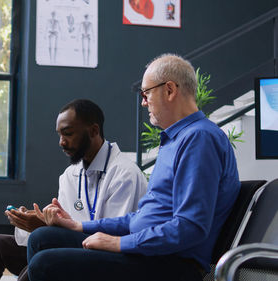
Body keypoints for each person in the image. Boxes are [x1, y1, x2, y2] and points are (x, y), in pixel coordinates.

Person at [27, 54, 241, 281]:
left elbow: (190, 227)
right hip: (149, 253)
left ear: (169, 90)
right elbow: (140, 218)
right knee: (42, 238)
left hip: (171, 264)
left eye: (146, 93)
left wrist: (119, 243)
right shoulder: (175, 140)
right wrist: (79, 225)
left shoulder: (199, 139)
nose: (143, 102)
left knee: (45, 264)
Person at [0, 99, 148, 281]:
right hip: (75, 247)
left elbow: (111, 238)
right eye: (59, 135)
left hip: (109, 257)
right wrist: (38, 221)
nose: (61, 142)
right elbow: (62, 229)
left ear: (94, 131)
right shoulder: (70, 174)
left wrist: (45, 229)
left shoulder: (124, 174)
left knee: (43, 252)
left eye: (67, 134)